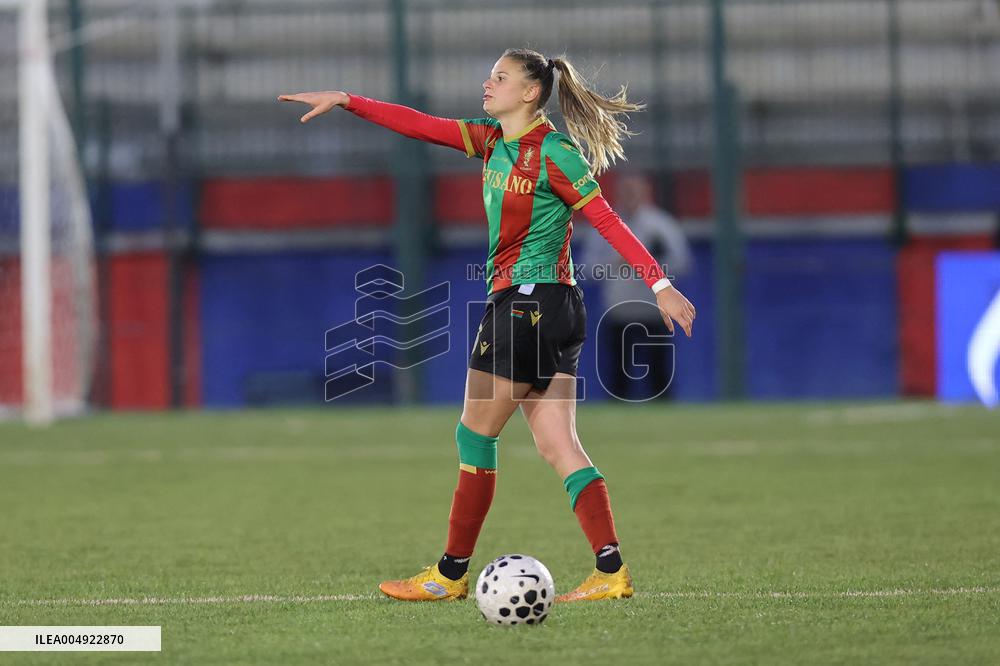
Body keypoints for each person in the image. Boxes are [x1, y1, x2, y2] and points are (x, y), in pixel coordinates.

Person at [278, 48, 695, 603]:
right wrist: (350, 101)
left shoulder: (553, 150)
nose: (487, 82)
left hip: (527, 304)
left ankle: (449, 575)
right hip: (556, 309)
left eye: (500, 77)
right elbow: (422, 126)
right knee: (559, 446)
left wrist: (660, 285)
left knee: (474, 435)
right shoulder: (491, 139)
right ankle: (610, 572)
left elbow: (606, 219)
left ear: (529, 93)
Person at [584, 173, 693, 400]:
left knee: (659, 375)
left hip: (654, 312)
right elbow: (586, 269)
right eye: (626, 191)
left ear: (646, 193)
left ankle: (665, 424)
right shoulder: (604, 224)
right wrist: (617, 262)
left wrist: (652, 264)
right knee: (617, 377)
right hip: (618, 312)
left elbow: (682, 264)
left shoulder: (661, 225)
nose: (630, 196)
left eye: (635, 191)